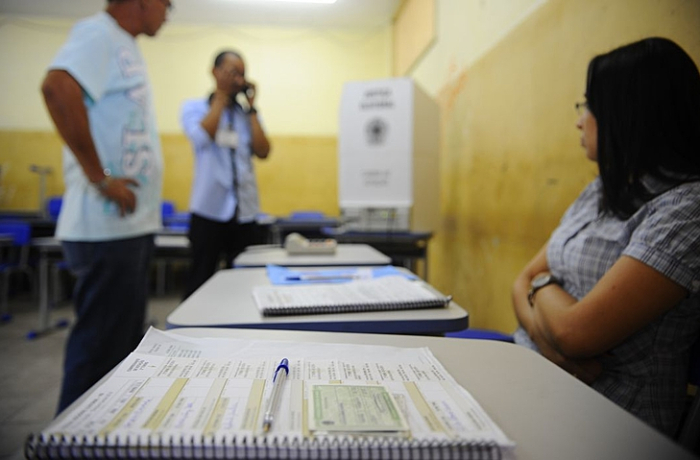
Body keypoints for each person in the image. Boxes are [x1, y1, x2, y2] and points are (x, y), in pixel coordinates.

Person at [512, 37, 700, 437]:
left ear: (628, 113)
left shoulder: (686, 209)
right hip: (541, 376)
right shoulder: (602, 189)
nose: (580, 120)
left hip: (608, 422)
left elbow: (574, 333)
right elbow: (519, 283)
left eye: (590, 106)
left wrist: (542, 287)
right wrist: (552, 348)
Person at [40, 0, 170, 413]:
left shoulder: (124, 43)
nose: (168, 12)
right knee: (98, 351)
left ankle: (104, 436)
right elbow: (57, 87)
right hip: (105, 227)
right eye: (167, 3)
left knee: (119, 353)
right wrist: (100, 176)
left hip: (127, 227)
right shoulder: (99, 33)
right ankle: (71, 442)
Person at [181, 50, 271, 299]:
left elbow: (263, 151)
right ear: (214, 72)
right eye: (232, 72)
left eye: (242, 74)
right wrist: (220, 97)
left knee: (244, 282)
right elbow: (201, 137)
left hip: (245, 211)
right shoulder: (194, 107)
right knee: (200, 279)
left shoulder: (246, 115)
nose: (238, 80)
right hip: (208, 210)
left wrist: (252, 108)